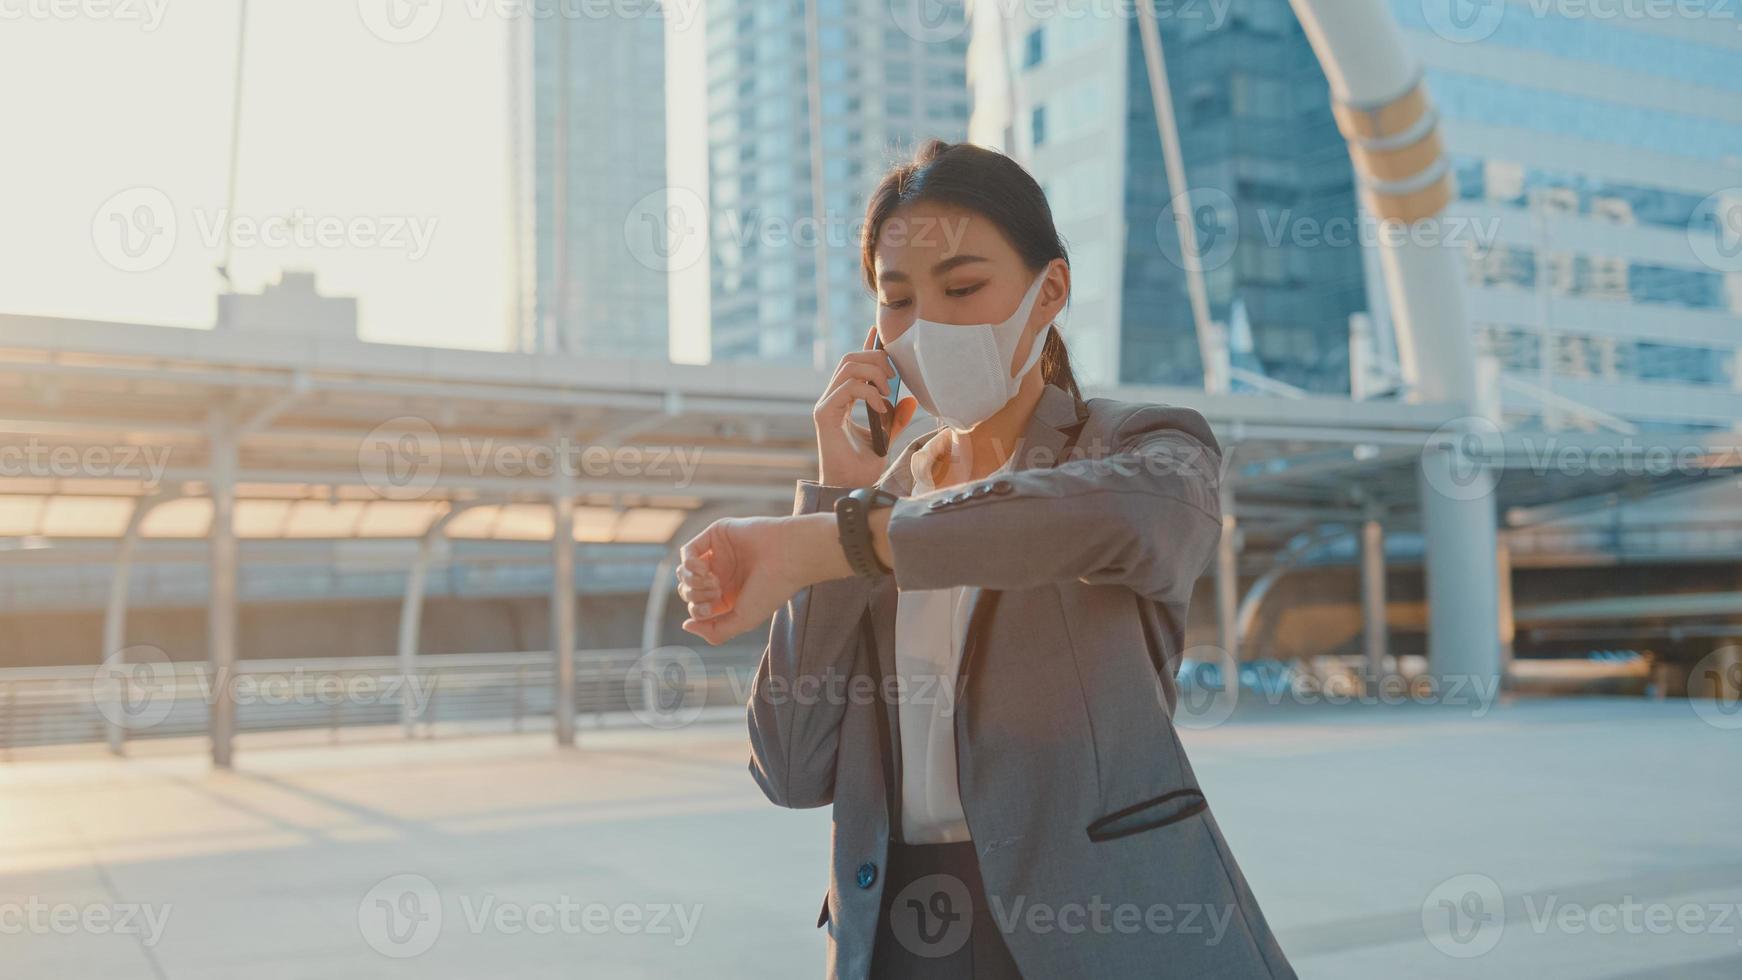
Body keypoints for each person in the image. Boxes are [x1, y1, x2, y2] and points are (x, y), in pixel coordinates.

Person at [677, 140, 1297, 980]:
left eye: (962, 288)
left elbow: (1131, 520)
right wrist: (836, 498)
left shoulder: (1142, 447)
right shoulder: (873, 502)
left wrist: (839, 540)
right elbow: (791, 770)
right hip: (896, 934)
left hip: (1097, 927)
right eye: (898, 300)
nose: (927, 323)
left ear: (1050, 290)